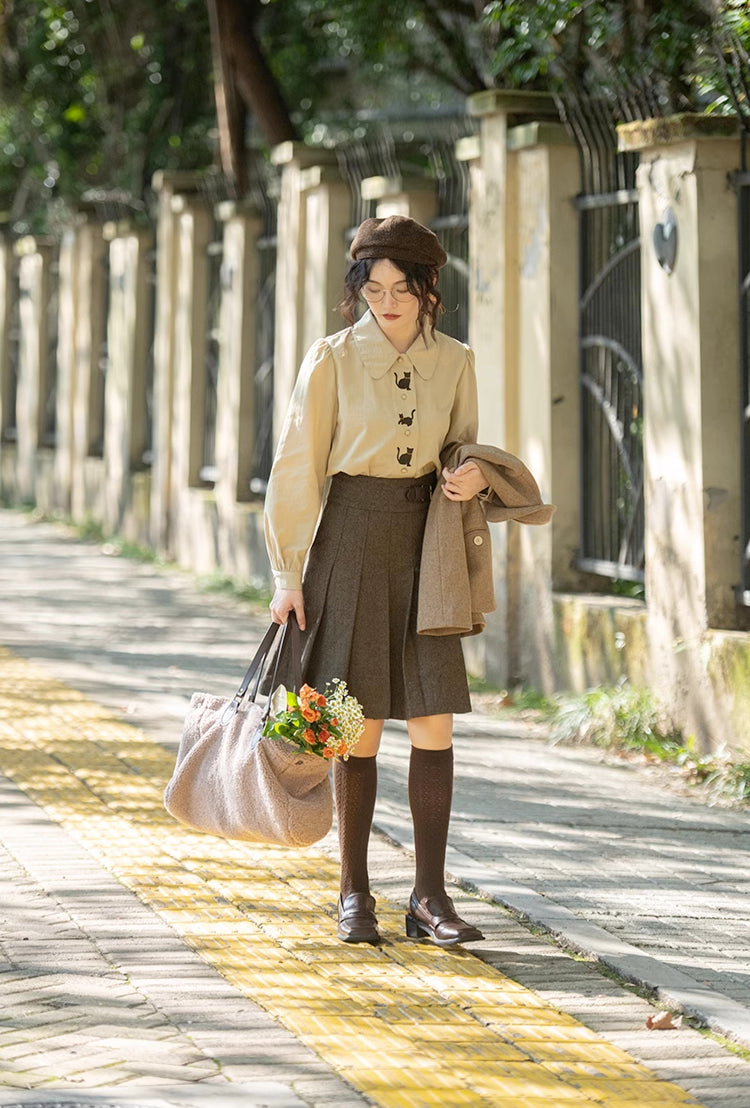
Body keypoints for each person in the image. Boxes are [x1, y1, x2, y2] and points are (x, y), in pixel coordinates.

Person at [264, 214, 487, 947]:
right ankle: (354, 891)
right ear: (358, 288)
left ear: (429, 292)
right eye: (372, 287)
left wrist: (470, 470)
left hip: (427, 542)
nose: (385, 303)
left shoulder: (455, 359)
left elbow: (461, 441)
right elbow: (297, 466)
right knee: (354, 727)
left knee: (433, 718)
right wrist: (287, 573)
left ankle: (428, 896)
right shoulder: (330, 358)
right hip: (350, 540)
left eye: (401, 289)